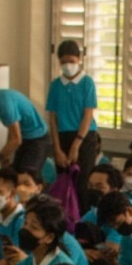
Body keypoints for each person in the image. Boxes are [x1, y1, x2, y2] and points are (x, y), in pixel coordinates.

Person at [45, 39, 98, 170]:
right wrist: (57, 149)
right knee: (64, 182)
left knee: (82, 183)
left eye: (71, 61)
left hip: (84, 137)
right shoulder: (56, 85)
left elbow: (87, 116)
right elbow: (53, 120)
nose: (68, 65)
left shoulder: (87, 82)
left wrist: (76, 145)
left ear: (79, 59)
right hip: (63, 136)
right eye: (63, 62)